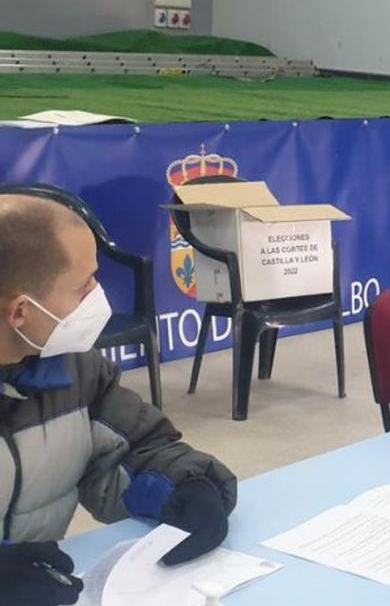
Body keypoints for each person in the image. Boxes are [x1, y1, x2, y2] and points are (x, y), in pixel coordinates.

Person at [0, 194, 237, 606]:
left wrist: (189, 487)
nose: (97, 295)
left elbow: (133, 449)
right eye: (83, 285)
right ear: (21, 311)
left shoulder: (73, 370)